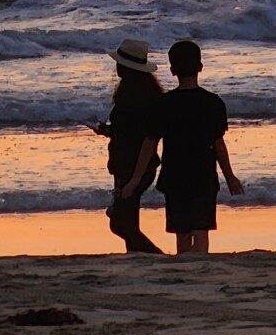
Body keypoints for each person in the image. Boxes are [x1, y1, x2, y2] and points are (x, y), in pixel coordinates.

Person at [119, 38, 243, 257]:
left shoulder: (164, 104)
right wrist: (230, 176)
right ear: (201, 67)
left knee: (182, 232)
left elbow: (150, 143)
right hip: (204, 175)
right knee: (201, 229)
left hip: (174, 175)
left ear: (173, 70)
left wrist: (136, 179)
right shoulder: (213, 103)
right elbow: (218, 144)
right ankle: (200, 266)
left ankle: (185, 268)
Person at [94, 38, 164, 254]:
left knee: (121, 222)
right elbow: (132, 131)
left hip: (135, 165)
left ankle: (154, 256)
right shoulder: (140, 93)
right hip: (128, 164)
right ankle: (137, 256)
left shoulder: (138, 97)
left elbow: (145, 136)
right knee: (125, 220)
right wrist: (109, 131)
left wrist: (135, 177)